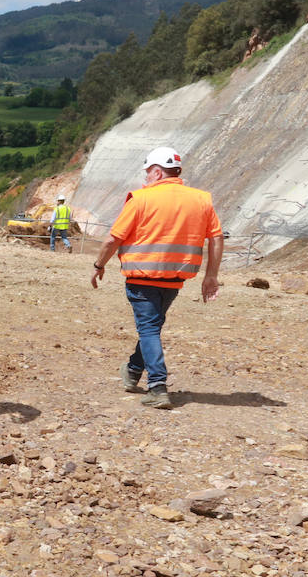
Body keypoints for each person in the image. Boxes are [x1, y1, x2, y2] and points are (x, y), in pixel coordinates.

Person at [91, 146, 223, 409]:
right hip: (175, 279)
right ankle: (132, 370)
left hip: (142, 277)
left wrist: (99, 265)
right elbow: (216, 237)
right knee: (152, 327)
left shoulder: (140, 199)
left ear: (157, 172)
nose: (147, 178)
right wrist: (211, 276)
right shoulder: (200, 200)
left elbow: (113, 238)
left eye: (148, 174)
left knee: (149, 329)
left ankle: (158, 387)